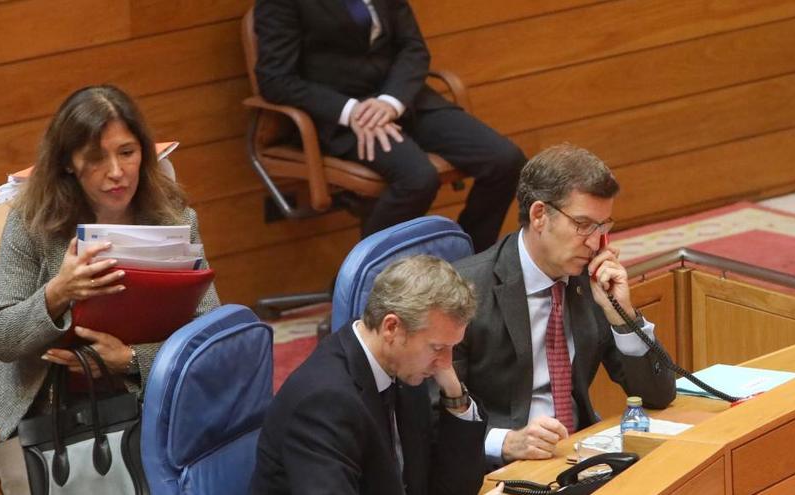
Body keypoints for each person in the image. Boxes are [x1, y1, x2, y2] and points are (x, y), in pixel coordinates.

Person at [0, 85, 221, 439]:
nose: (116, 172)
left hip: (146, 393)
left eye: (127, 152)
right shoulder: (31, 222)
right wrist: (57, 292)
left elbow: (210, 333)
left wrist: (130, 360)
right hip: (50, 405)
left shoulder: (175, 220)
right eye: (95, 158)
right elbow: (3, 338)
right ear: (68, 163)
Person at [452, 144, 676, 467]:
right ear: (539, 215)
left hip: (579, 455)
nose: (594, 242)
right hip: (502, 467)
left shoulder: (592, 279)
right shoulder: (468, 289)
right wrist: (505, 441)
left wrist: (623, 316)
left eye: (603, 227)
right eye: (583, 225)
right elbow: (432, 415)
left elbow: (658, 394)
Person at [253, 0, 525, 252]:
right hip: (341, 116)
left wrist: (391, 101)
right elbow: (275, 79)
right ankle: (356, 281)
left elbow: (413, 47)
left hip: (401, 98)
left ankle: (469, 262)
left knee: (505, 160)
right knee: (418, 178)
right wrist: (351, 112)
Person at [250, 255, 487, 495]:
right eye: (438, 347)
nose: (447, 362)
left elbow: (452, 489)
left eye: (452, 347)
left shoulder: (404, 367)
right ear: (391, 328)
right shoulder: (324, 402)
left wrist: (455, 395)